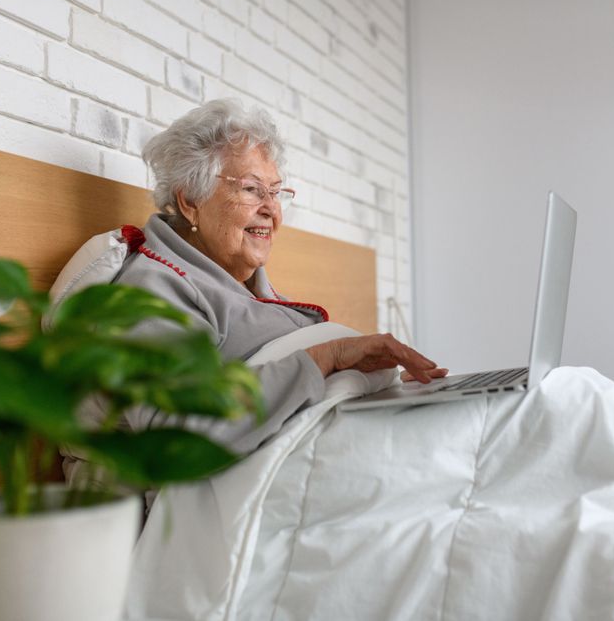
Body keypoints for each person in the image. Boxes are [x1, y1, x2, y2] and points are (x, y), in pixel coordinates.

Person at [107, 99, 447, 455]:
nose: (271, 209)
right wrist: (328, 357)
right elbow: (174, 429)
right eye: (252, 189)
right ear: (191, 199)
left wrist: (386, 390)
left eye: (276, 191)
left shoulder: (247, 288)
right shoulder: (153, 289)